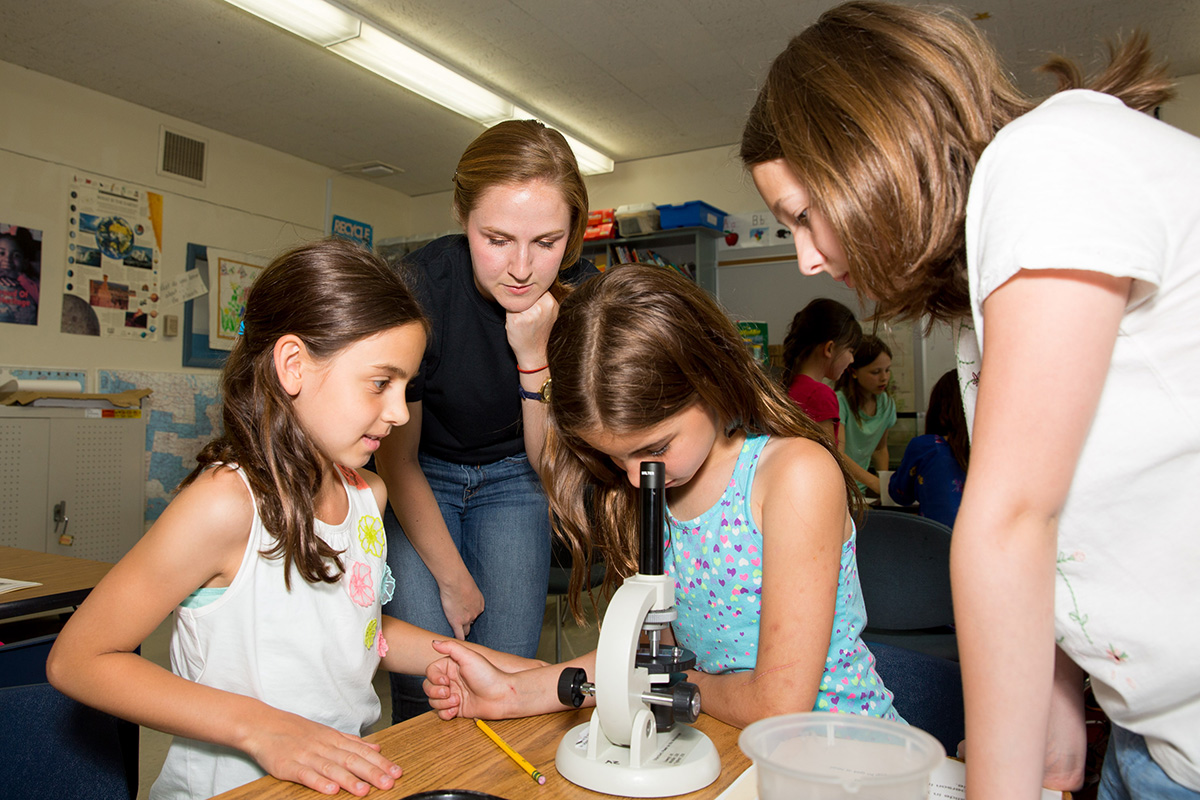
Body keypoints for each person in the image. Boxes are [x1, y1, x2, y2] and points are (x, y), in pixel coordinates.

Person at [741, 2, 1200, 798]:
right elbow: (1059, 528)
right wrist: (1056, 700)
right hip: (1152, 731)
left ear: (867, 151)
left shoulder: (1046, 160)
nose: (809, 259)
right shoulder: (976, 320)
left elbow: (1013, 519)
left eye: (804, 216)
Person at [45, 239, 535, 799]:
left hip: (335, 781)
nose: (399, 413)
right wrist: (265, 729)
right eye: (381, 383)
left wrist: (493, 667)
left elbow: (358, 628)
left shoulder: (367, 495)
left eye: (407, 388)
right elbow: (79, 659)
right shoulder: (226, 504)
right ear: (294, 365)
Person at [421, 264, 903, 729]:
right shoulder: (655, 488)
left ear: (709, 378)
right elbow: (647, 649)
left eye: (655, 448)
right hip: (727, 738)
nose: (634, 478)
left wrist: (671, 679)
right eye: (615, 457)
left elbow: (777, 705)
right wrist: (511, 692)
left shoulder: (795, 475)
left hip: (841, 752)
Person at [374, 119, 598, 723]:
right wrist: (454, 580)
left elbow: (548, 465)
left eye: (547, 242)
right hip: (423, 474)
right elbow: (396, 458)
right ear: (461, 215)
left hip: (519, 477)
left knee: (508, 677)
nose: (522, 268)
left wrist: (533, 359)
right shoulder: (419, 287)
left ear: (573, 232)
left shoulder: (585, 298)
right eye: (497, 239)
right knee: (430, 688)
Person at [887, 370, 969, 528]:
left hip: (935, 543)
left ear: (940, 407)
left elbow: (900, 495)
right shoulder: (995, 452)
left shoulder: (926, 447)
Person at [780, 297, 862, 444]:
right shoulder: (820, 395)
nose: (852, 360)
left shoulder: (785, 386)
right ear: (829, 348)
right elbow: (828, 458)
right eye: (850, 351)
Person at [835, 336, 896, 494]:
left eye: (887, 370)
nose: (884, 378)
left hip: (861, 491)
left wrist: (884, 486)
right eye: (876, 372)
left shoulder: (886, 403)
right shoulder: (839, 402)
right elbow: (837, 453)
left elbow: (880, 449)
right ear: (854, 371)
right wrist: (875, 483)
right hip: (839, 488)